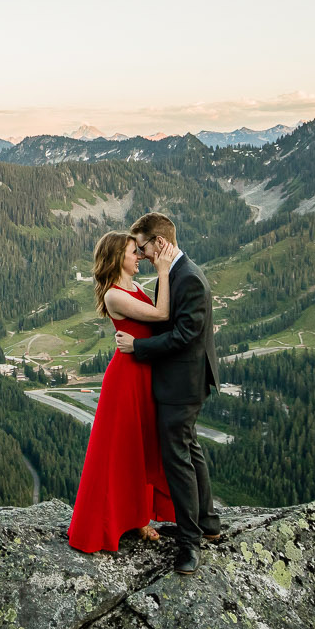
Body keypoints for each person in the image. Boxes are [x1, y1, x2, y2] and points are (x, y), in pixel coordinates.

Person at [115, 211, 222, 575]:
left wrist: (137, 348)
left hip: (183, 384)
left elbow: (184, 336)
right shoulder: (177, 272)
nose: (141, 255)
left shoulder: (188, 278)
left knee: (177, 458)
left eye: (143, 247)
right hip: (182, 381)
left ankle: (189, 545)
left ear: (159, 243)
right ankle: (207, 523)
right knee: (190, 449)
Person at [68, 231, 175, 553]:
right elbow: (161, 315)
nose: (138, 257)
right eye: (133, 252)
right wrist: (164, 270)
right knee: (119, 449)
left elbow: (157, 322)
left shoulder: (135, 287)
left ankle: (139, 517)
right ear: (118, 258)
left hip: (142, 371)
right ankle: (105, 524)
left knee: (139, 446)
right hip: (126, 378)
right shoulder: (115, 295)